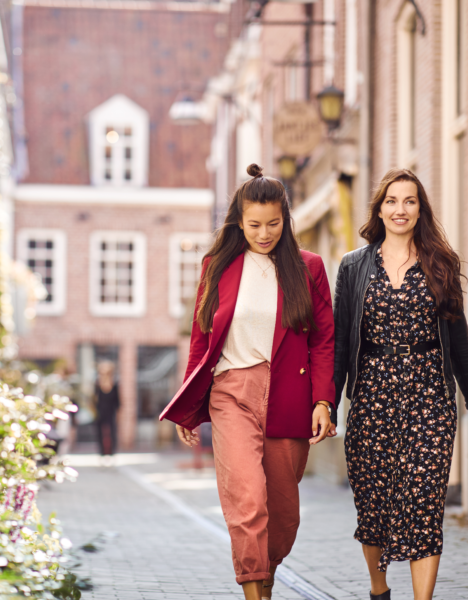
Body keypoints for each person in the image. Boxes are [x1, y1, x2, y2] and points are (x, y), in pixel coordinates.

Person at [160, 164, 336, 600]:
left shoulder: (308, 268)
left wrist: (323, 402)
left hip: (288, 396)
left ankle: (265, 576)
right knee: (248, 503)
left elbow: (323, 341)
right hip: (230, 395)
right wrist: (190, 403)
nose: (263, 233)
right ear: (239, 221)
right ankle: (254, 588)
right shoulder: (217, 267)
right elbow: (202, 339)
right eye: (254, 225)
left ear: (285, 220)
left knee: (282, 515)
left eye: (273, 224)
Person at [332, 168, 468, 600]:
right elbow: (341, 342)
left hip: (429, 399)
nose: (400, 209)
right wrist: (327, 406)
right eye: (392, 201)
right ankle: (379, 588)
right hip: (371, 397)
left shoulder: (441, 264)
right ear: (379, 209)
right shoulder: (352, 267)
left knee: (424, 503)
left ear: (420, 209)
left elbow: (457, 336)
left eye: (410, 201)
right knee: (373, 504)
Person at [94, 360, 120, 462]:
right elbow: (94, 399)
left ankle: (112, 453)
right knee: (99, 432)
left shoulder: (115, 384)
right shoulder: (97, 384)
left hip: (111, 412)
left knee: (112, 432)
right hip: (100, 412)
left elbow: (117, 402)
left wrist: (118, 415)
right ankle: (101, 453)